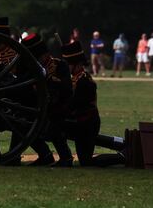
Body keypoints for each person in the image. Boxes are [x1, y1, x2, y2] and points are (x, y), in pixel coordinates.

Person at [22, 33, 73, 167]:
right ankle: (45, 154)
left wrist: (48, 81)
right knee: (22, 124)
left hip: (58, 108)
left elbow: (66, 89)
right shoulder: (30, 69)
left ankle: (66, 157)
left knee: (54, 122)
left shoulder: (59, 65)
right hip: (37, 108)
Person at [61, 40, 101, 166]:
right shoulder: (75, 79)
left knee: (86, 161)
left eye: (68, 64)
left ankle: (120, 158)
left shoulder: (84, 81)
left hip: (87, 124)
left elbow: (75, 104)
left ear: (76, 64)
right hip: (79, 123)